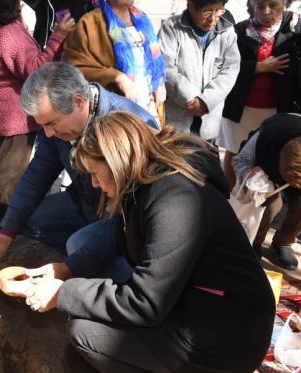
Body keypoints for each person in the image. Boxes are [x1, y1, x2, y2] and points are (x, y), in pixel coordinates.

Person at [25, 111, 275, 373]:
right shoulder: (144, 181)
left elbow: (146, 302)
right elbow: (115, 233)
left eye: (96, 173)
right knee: (79, 355)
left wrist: (64, 293)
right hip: (192, 304)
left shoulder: (176, 201)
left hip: (230, 332)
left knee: (85, 333)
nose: (94, 184)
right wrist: (65, 269)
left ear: (117, 162)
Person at [0, 62, 158, 277]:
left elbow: (142, 211)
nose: (47, 133)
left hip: (125, 220)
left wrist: (70, 267)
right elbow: (37, 176)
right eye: (42, 125)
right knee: (27, 220)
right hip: (84, 203)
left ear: (78, 101)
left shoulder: (130, 125)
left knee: (80, 244)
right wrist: (5, 235)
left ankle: (117, 285)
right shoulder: (58, 130)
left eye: (52, 123)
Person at [0, 0, 75, 228]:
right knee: (10, 173)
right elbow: (34, 70)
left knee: (11, 167)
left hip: (8, 108)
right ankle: (3, 227)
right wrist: (59, 36)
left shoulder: (3, 27)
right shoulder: (6, 34)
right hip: (13, 113)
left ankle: (7, 223)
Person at [219, 0, 301, 188]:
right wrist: (259, 67)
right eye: (260, 6)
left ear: (285, 5)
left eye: (273, 5)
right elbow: (224, 67)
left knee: (270, 155)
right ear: (252, 6)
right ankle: (229, 198)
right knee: (234, 152)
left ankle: (264, 204)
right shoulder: (238, 32)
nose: (266, 12)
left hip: (277, 111)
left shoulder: (293, 33)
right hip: (241, 108)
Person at [64, 0, 166, 120]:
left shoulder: (141, 18)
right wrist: (116, 76)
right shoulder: (90, 22)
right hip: (116, 113)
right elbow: (75, 67)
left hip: (149, 107)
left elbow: (154, 58)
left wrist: (160, 82)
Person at [158, 0, 240, 141]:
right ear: (191, 7)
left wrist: (206, 101)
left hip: (210, 119)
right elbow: (165, 67)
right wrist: (191, 98)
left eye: (219, 10)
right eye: (206, 12)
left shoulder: (227, 31)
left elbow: (230, 69)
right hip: (178, 117)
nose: (213, 19)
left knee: (207, 159)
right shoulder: (172, 27)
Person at [233, 113, 301, 270]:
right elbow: (238, 161)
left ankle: (283, 242)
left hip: (290, 170)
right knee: (271, 205)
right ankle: (253, 243)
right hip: (265, 169)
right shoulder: (265, 137)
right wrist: (248, 172)